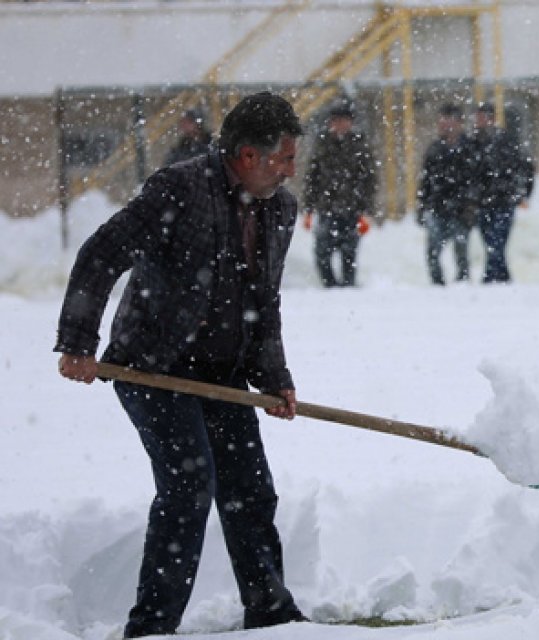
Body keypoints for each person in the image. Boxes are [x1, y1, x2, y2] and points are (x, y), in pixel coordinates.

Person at [54, 92, 309, 636]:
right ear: (247, 156)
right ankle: (152, 626)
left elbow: (263, 303)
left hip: (222, 377)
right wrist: (78, 341)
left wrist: (275, 379)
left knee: (250, 489)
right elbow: (102, 254)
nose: (292, 170)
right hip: (153, 368)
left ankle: (272, 616)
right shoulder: (181, 188)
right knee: (189, 487)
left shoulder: (280, 210)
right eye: (283, 158)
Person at [302, 100, 377, 287]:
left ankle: (348, 286)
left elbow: (369, 180)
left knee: (349, 252)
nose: (339, 125)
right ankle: (330, 286)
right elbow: (313, 177)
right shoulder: (322, 145)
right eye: (336, 121)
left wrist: (366, 209)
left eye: (344, 121)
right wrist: (309, 207)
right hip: (327, 208)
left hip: (352, 209)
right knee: (322, 252)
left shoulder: (359, 146)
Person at [468, 102, 534, 284]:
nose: (479, 121)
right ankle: (502, 277)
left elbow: (525, 168)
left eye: (483, 117)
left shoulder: (506, 141)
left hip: (503, 201)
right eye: (478, 117)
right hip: (483, 203)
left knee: (497, 242)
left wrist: (523, 193)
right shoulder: (473, 143)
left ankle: (491, 278)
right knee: (490, 242)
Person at [417, 103, 476, 285]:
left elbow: (476, 179)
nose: (446, 125)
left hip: (461, 210)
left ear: (459, 123)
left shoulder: (470, 148)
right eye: (442, 121)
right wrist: (422, 205)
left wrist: (471, 205)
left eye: (450, 121)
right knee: (432, 252)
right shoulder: (434, 149)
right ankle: (438, 284)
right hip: (437, 208)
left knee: (461, 251)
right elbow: (425, 181)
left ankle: (462, 284)